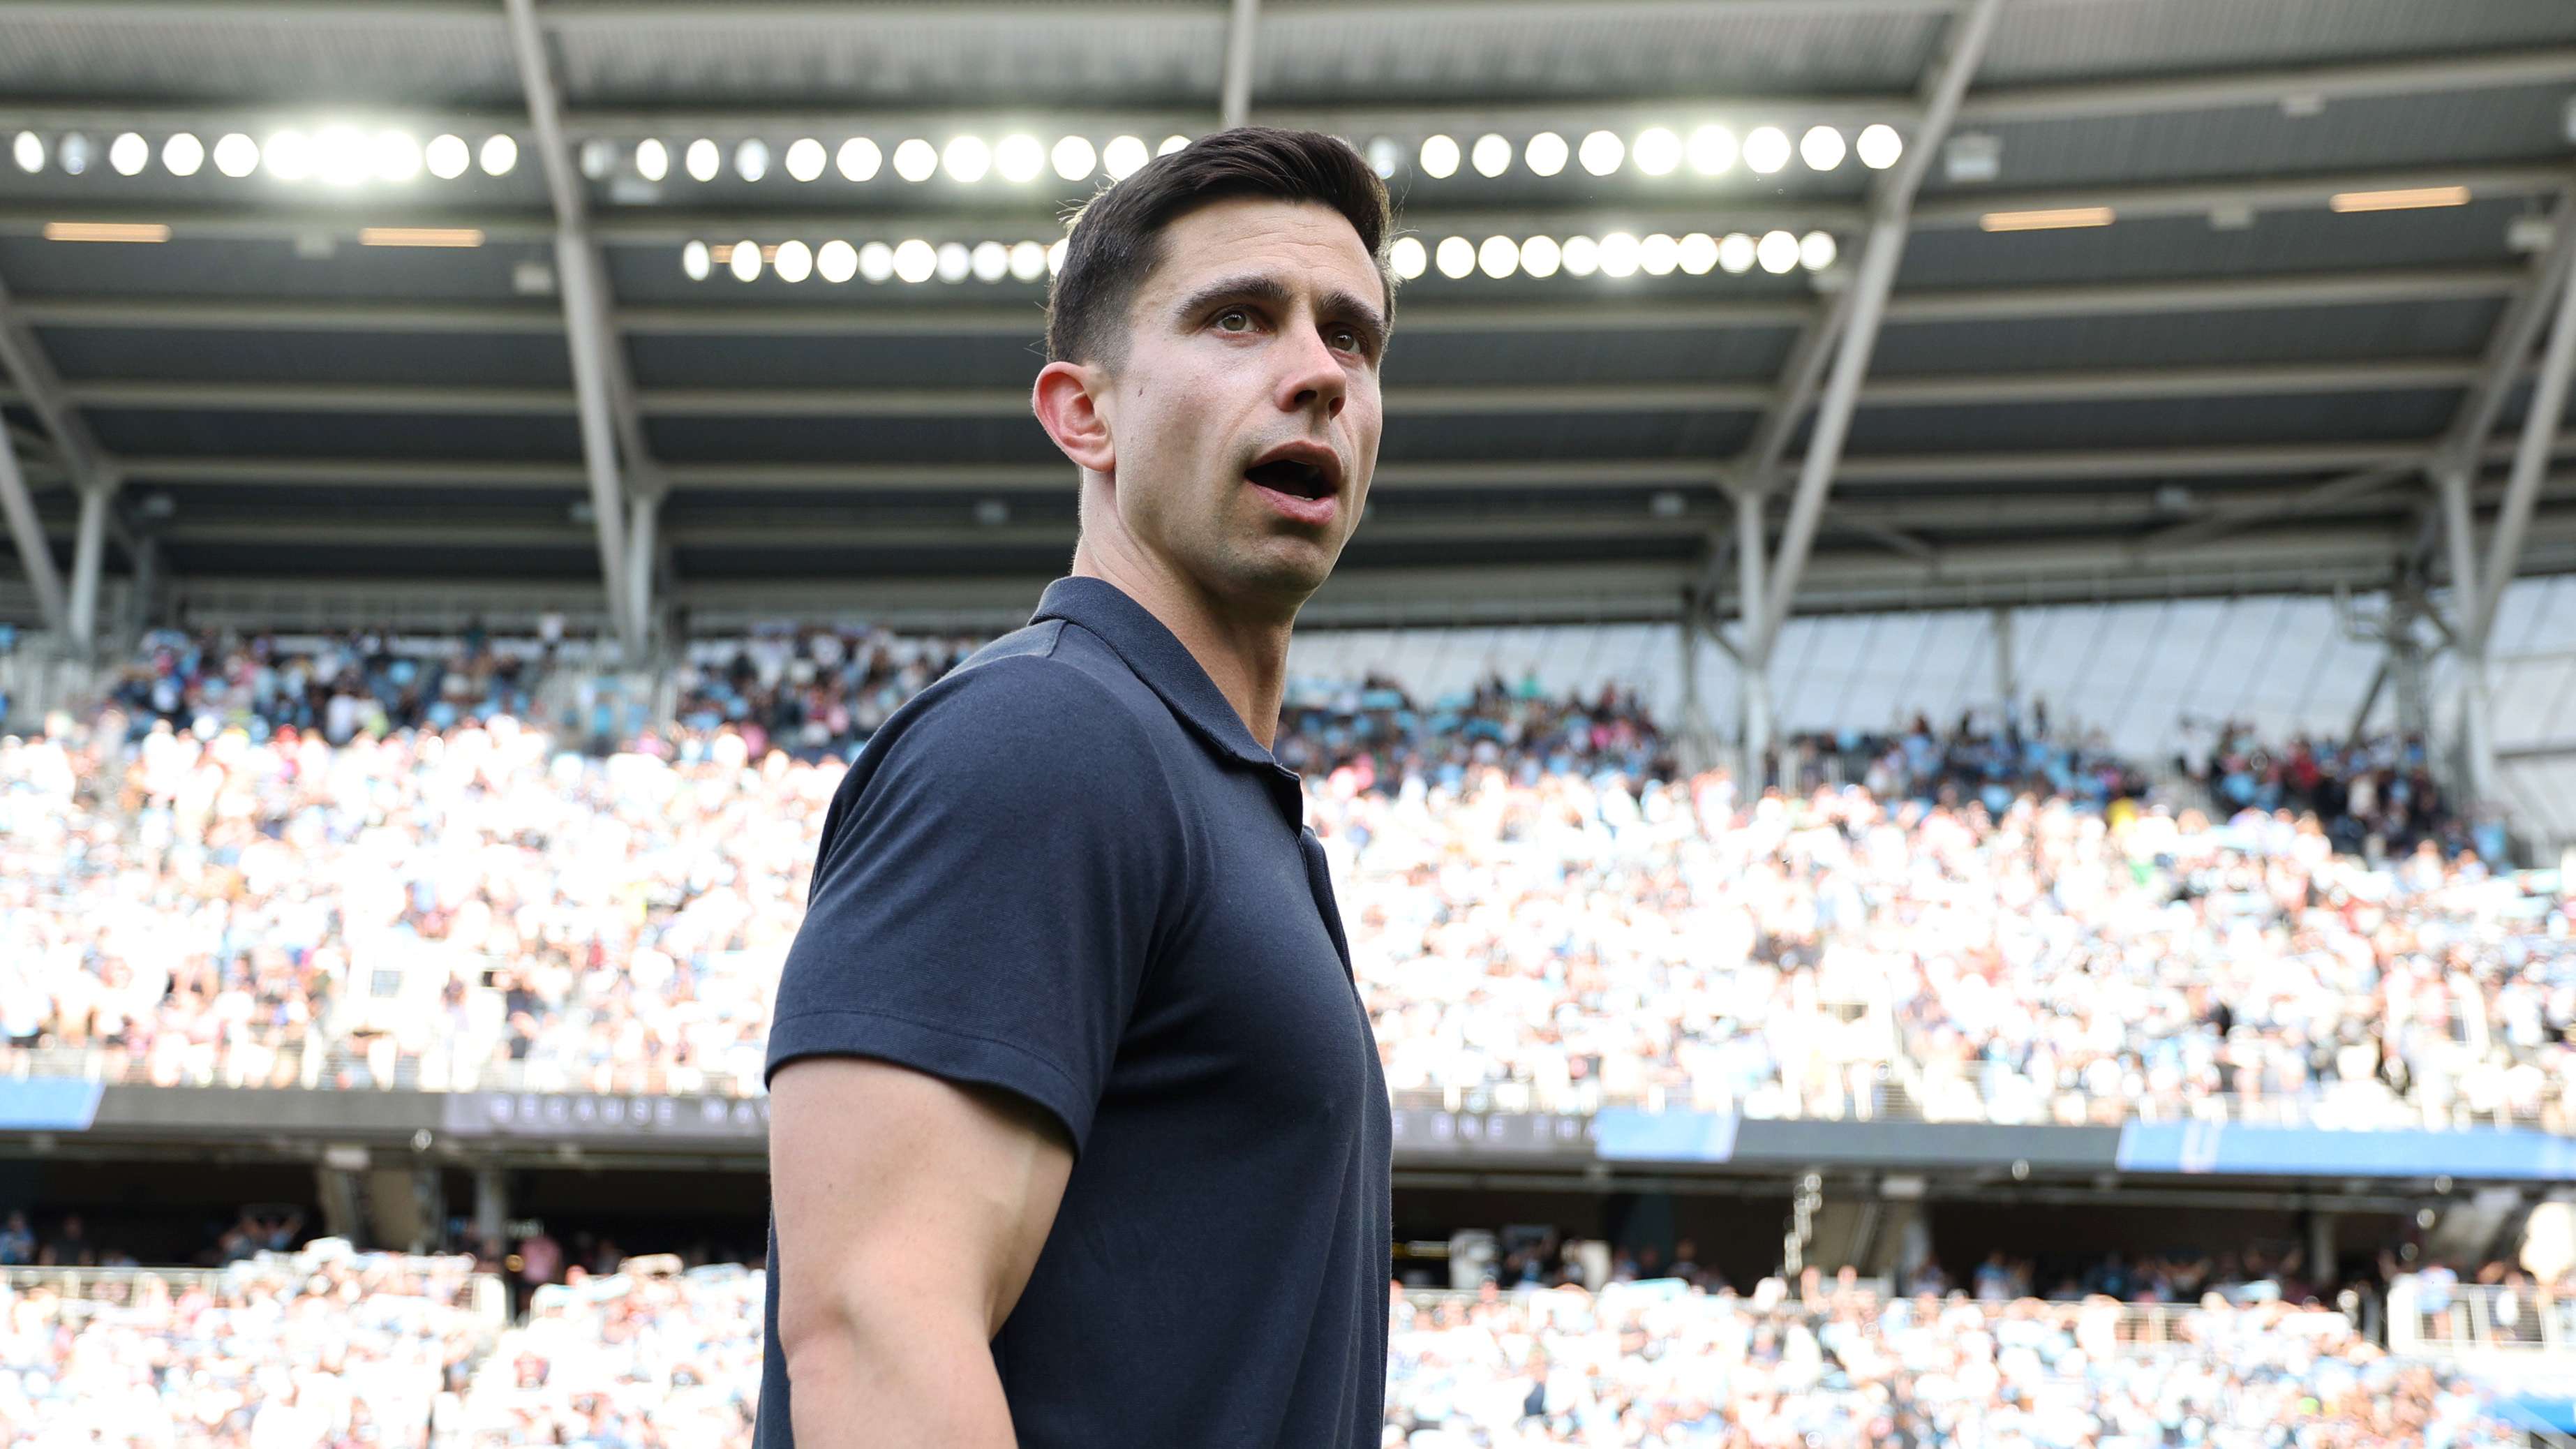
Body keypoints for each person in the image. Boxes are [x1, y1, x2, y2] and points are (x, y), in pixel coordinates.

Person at [760, 127, 1397, 1448]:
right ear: (1082, 413)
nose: (1319, 374)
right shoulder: (1044, 739)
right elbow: (876, 1329)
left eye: (1352, 336)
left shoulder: (1208, 791)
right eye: (1239, 319)